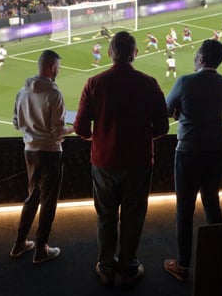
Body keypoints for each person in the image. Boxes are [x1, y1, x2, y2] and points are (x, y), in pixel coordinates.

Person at [74, 31, 169, 286]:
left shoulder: (94, 83)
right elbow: (162, 128)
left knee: (105, 216)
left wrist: (100, 137)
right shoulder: (149, 83)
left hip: (104, 161)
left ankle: (106, 267)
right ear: (135, 53)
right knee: (133, 216)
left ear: (109, 53)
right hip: (138, 162)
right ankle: (128, 267)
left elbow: (81, 128)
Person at [163, 39, 222, 282]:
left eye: (196, 54)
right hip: (217, 150)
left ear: (201, 59)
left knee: (185, 208)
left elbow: (166, 108)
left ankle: (182, 265)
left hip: (189, 151)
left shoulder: (185, 81)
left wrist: (179, 111)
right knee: (212, 203)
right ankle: (221, 257)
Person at [10, 50, 75, 264]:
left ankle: (19, 244)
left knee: (32, 197)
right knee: (48, 201)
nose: (59, 70)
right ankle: (41, 249)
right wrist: (72, 128)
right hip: (50, 153)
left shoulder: (21, 92)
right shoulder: (54, 94)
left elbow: (16, 123)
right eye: (58, 67)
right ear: (52, 68)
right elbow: (57, 131)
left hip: (30, 151)